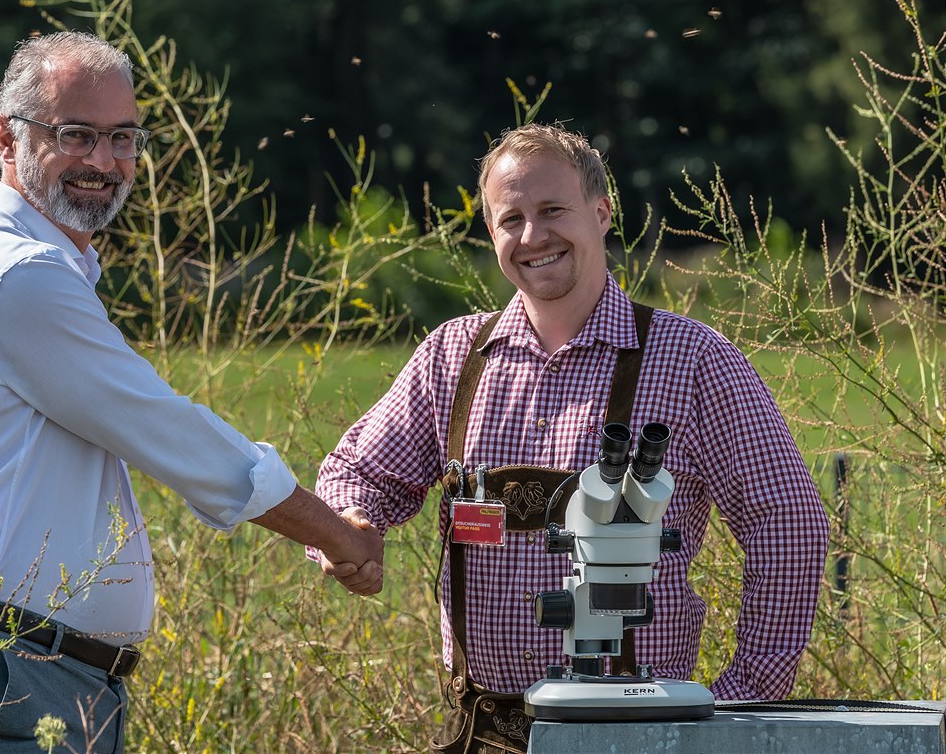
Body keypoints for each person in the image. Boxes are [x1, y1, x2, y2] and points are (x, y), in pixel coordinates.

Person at [0, 31, 382, 754]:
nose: (103, 162)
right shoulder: (18, 275)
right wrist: (337, 536)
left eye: (122, 138)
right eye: (75, 134)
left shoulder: (39, 266)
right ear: (6, 135)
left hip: (29, 674)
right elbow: (175, 438)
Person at [313, 122, 829, 752]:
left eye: (553, 210)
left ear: (601, 211)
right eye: (512, 219)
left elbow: (788, 520)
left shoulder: (690, 359)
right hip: (484, 731)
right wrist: (351, 526)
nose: (533, 236)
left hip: (639, 733)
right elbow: (355, 472)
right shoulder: (452, 358)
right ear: (492, 234)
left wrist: (746, 696)